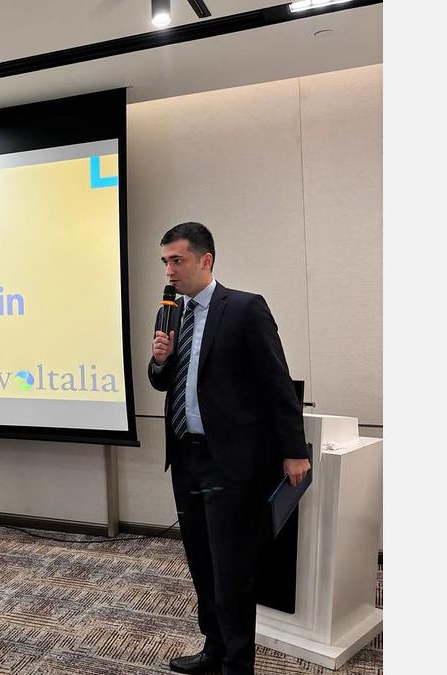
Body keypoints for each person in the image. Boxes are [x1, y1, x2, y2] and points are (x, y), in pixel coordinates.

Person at [148, 222, 310, 675]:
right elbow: (163, 382)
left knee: (231, 569)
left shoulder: (244, 308)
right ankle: (214, 650)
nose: (169, 271)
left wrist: (294, 450)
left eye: (177, 260)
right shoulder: (172, 314)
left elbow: (277, 383)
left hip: (229, 462)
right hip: (186, 457)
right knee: (200, 561)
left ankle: (237, 665)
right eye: (164, 262)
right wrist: (160, 361)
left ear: (206, 260)